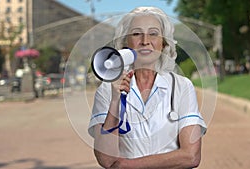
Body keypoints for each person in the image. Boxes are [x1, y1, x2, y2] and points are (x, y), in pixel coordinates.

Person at [88, 6, 207, 169]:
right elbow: (106, 160)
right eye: (136, 33)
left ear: (163, 43)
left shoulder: (182, 87)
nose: (145, 41)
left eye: (153, 33)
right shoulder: (106, 90)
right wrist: (115, 101)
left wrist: (128, 165)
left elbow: (191, 156)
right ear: (125, 43)